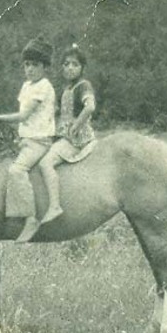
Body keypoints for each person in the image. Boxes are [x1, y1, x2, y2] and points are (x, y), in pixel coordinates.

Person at [0, 36, 56, 242]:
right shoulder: (27, 86)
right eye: (27, 65)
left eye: (35, 65)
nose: (30, 69)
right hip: (27, 139)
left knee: (17, 170)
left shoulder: (44, 86)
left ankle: (30, 217)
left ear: (45, 67)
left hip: (40, 141)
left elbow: (24, 116)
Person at [38, 43, 97, 224]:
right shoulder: (67, 88)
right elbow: (59, 111)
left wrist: (77, 125)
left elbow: (90, 107)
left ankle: (55, 206)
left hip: (76, 139)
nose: (70, 68)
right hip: (64, 135)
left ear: (82, 68)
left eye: (75, 64)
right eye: (66, 64)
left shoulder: (83, 86)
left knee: (45, 163)